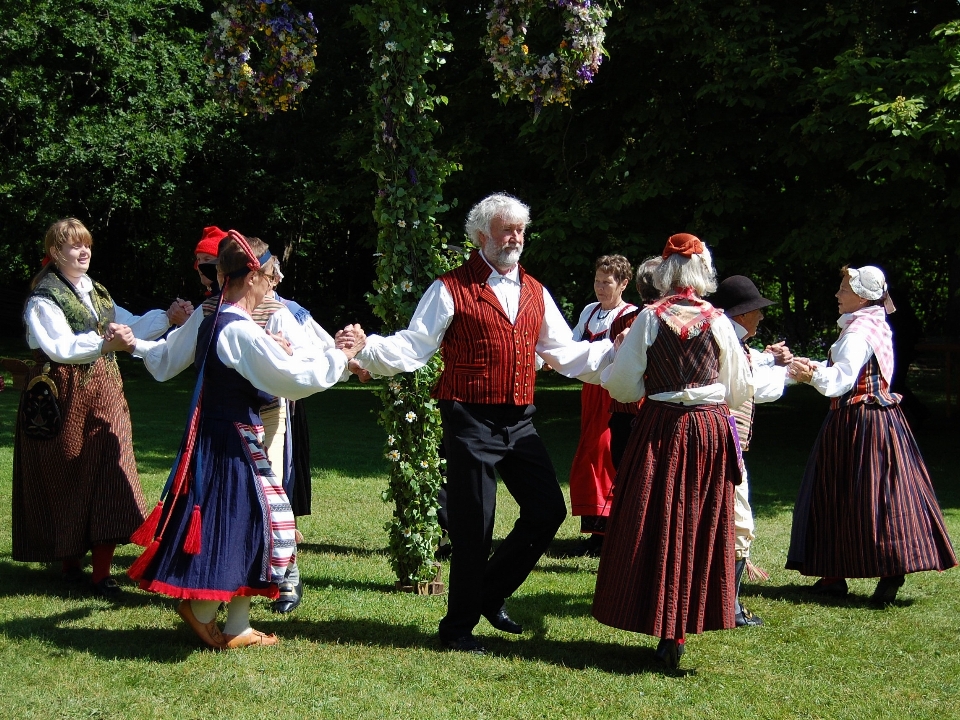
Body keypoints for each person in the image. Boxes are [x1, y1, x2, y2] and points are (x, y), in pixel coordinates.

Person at [351, 193, 615, 654]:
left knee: (547, 510)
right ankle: (456, 629)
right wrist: (366, 349)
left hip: (519, 420)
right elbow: (415, 346)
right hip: (469, 416)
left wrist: (617, 352)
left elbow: (563, 352)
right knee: (476, 525)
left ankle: (489, 592)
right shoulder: (449, 287)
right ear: (480, 237)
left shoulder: (535, 290)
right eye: (505, 230)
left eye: (520, 230)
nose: (515, 239)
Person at [127, 232, 364, 649]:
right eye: (271, 276)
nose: (274, 283)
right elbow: (291, 380)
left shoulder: (218, 318)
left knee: (258, 524)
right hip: (229, 445)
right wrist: (340, 357)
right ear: (252, 276)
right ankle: (201, 610)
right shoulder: (237, 328)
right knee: (247, 525)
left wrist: (292, 352)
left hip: (227, 438)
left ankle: (237, 625)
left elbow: (252, 371)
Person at [593, 233, 752, 669]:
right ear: (704, 272)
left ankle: (663, 623)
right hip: (706, 431)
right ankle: (682, 623)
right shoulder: (719, 320)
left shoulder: (648, 318)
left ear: (664, 272)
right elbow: (739, 390)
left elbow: (624, 384)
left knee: (658, 519)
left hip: (661, 428)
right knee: (699, 524)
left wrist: (653, 385)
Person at [13, 218, 191, 598]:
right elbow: (59, 347)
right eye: (74, 246)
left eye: (87, 245)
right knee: (67, 470)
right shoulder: (44, 298)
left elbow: (127, 326)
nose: (83, 252)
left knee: (112, 466)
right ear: (56, 252)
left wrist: (166, 319)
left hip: (105, 389)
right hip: (59, 393)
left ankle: (102, 573)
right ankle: (70, 563)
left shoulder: (97, 291)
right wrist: (103, 344)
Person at [786, 265, 956, 603]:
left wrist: (810, 377)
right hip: (869, 420)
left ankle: (887, 570)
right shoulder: (869, 324)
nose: (837, 294)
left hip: (860, 423)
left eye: (843, 290)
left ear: (862, 296)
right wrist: (814, 366)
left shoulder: (859, 332)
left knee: (868, 496)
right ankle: (835, 575)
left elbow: (841, 380)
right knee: (853, 495)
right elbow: (846, 370)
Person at [711, 275, 793, 627]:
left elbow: (751, 370)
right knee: (740, 525)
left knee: (726, 525)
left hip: (722, 448)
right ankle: (728, 606)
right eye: (757, 310)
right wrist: (788, 373)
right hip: (721, 450)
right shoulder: (727, 341)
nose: (760, 316)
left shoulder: (731, 339)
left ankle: (721, 601)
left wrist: (774, 362)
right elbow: (745, 386)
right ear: (742, 314)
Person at [568, 255, 636, 557]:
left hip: (613, 393)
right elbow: (571, 344)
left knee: (605, 455)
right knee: (588, 454)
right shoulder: (589, 311)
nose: (600, 287)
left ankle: (609, 530)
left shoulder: (632, 315)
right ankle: (594, 529)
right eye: (597, 281)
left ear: (623, 283)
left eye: (606, 282)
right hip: (590, 392)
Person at [606, 256, 662, 472]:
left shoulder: (622, 321)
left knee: (625, 481)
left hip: (624, 413)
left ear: (638, 287)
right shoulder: (671, 323)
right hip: (656, 413)